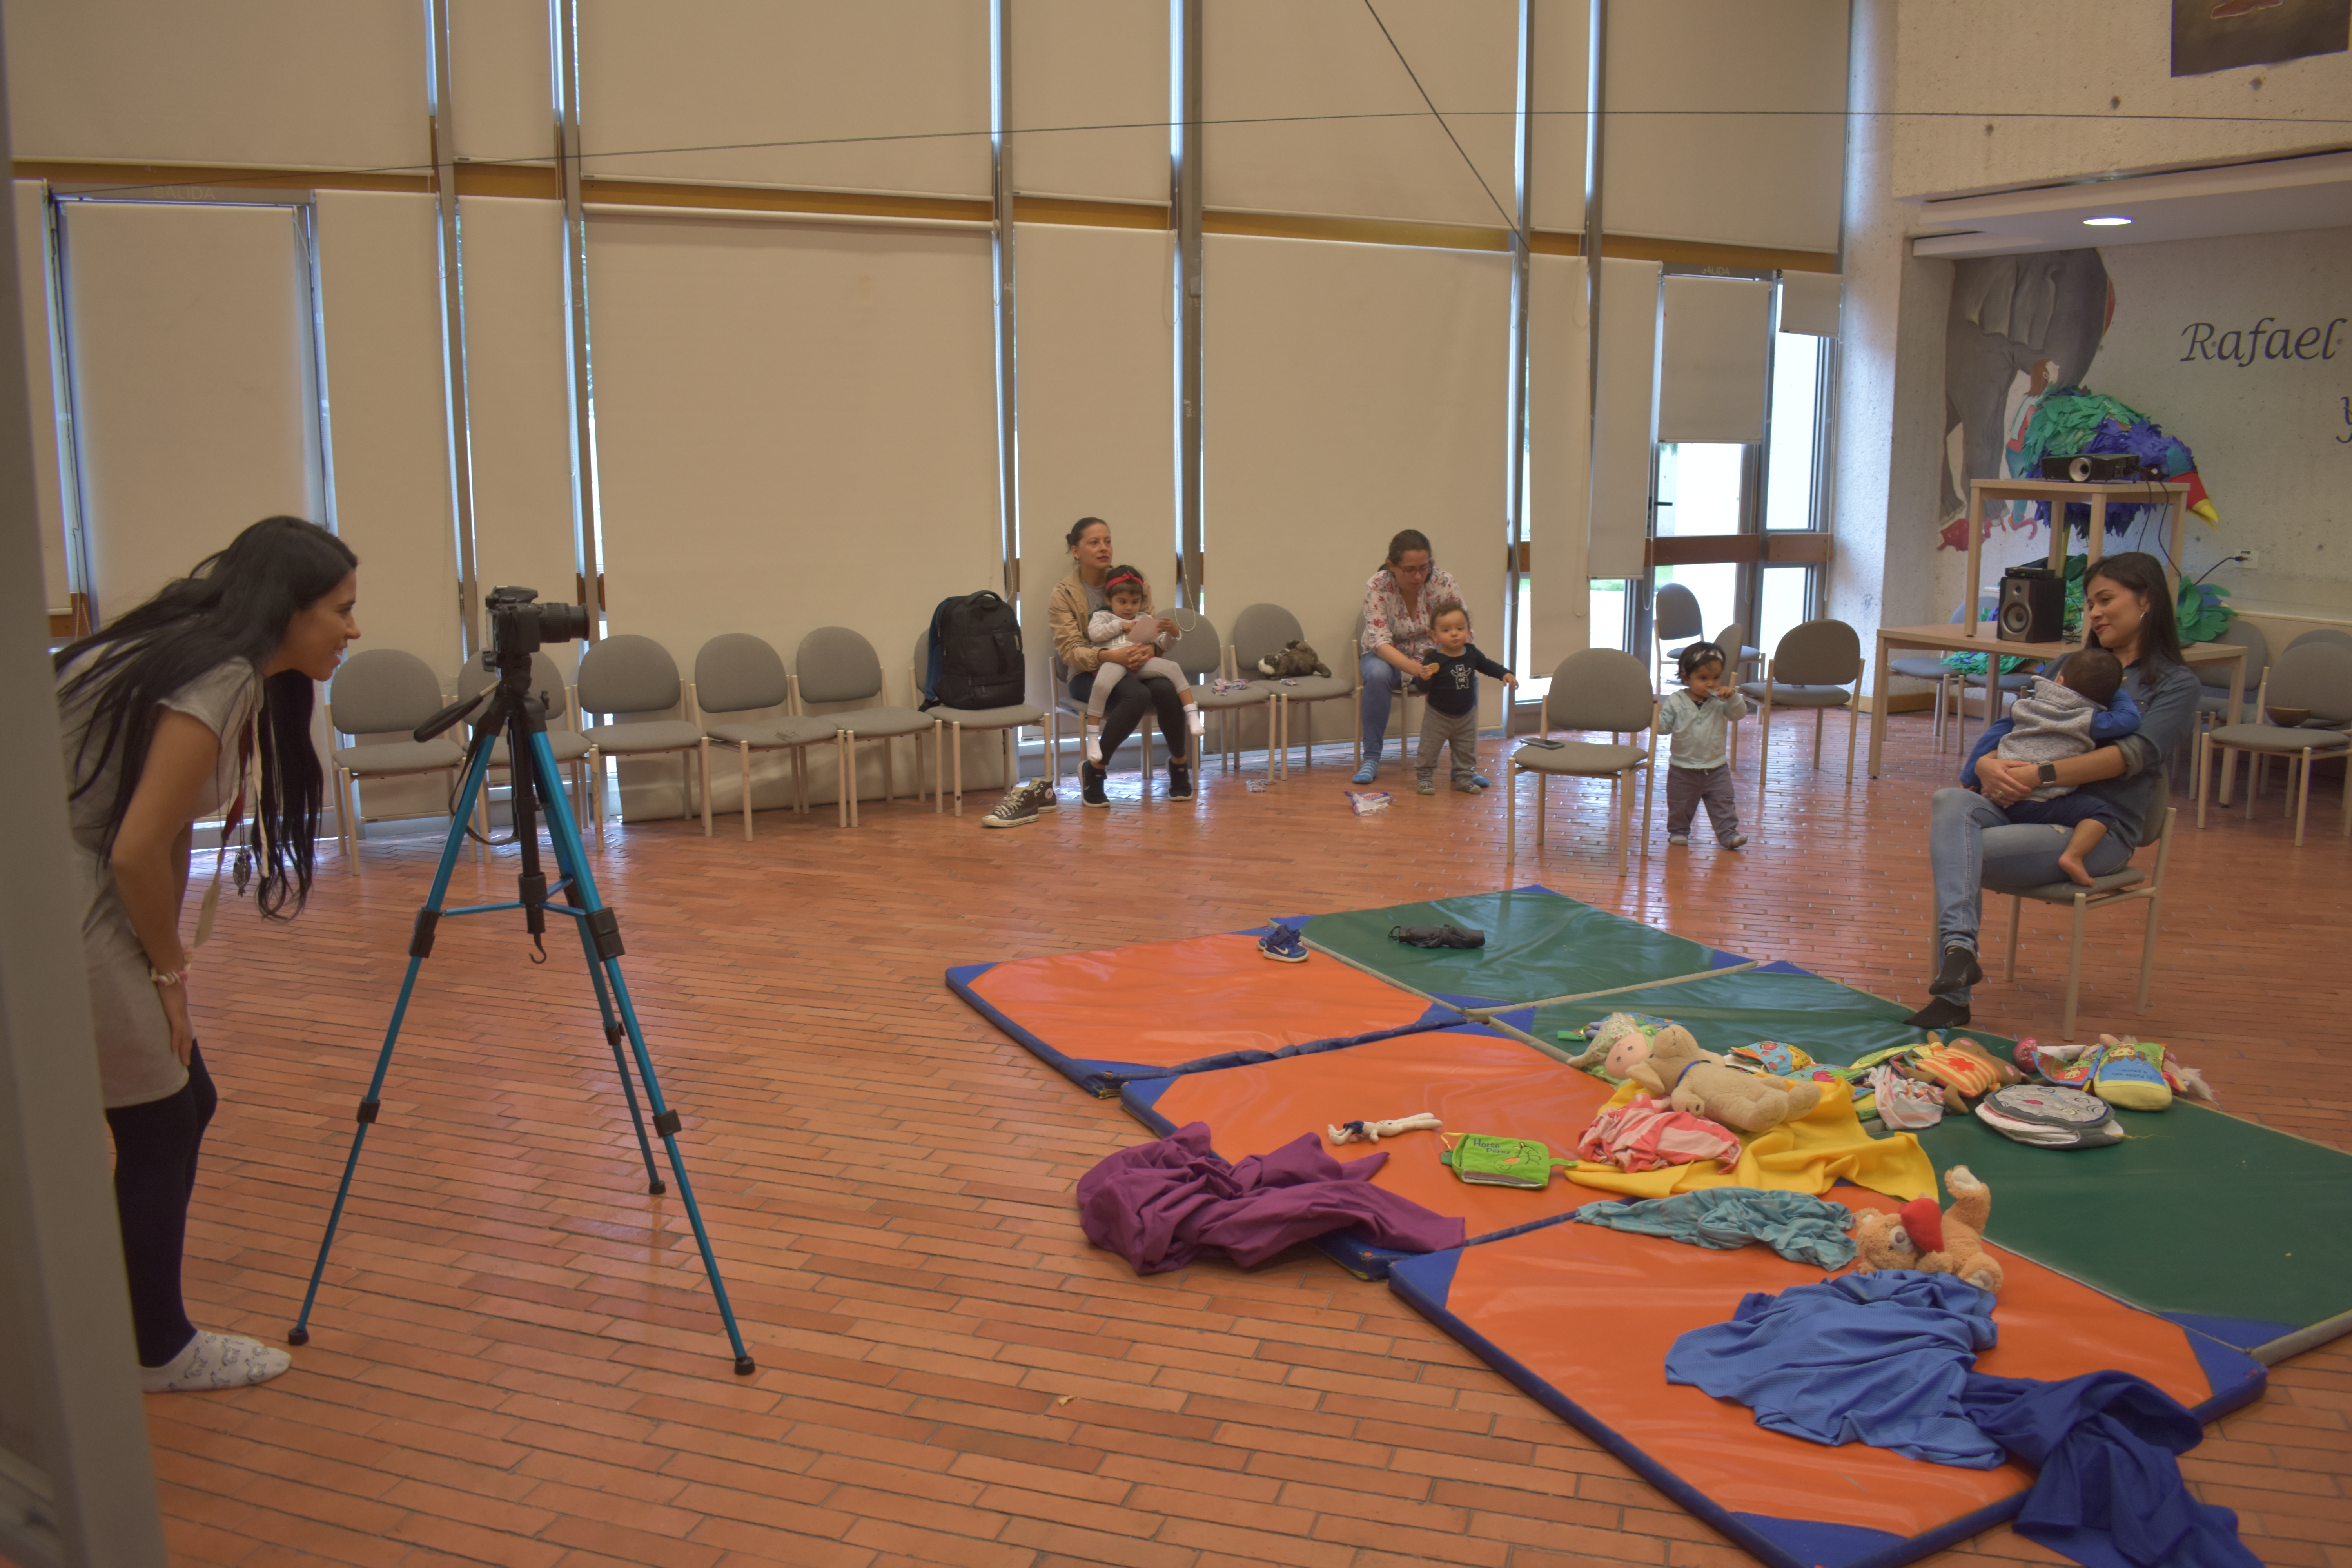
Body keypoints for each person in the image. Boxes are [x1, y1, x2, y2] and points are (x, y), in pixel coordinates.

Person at [54, 515, 360, 1390]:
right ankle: (156, 1348)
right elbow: (138, 849)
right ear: (287, 609)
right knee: (162, 1116)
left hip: (69, 878)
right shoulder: (219, 675)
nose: (353, 628)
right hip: (62, 894)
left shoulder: (193, 650)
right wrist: (168, 972)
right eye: (341, 609)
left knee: (186, 1100)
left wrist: (164, 963)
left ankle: (126, 1320)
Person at [1911, 551, 2201, 1029]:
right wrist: (1985, 764)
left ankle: (1954, 995)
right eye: (2090, 604)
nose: (2095, 614)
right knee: (1950, 802)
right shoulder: (2070, 663)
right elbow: (2016, 723)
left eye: (2105, 600)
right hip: (2023, 807)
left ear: (2146, 600)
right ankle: (1960, 953)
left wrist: (2039, 775)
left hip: (2096, 827)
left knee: (1962, 850)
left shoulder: (2175, 683)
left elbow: (2132, 755)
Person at [1965, 646, 2141, 886]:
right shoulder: (2088, 719)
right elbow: (2130, 720)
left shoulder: (2027, 705)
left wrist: (1971, 775)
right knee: (2100, 812)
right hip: (2037, 805)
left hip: (1997, 792)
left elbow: (1993, 735)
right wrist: (2117, 691)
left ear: (2060, 679)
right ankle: (2073, 856)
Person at [1048, 517, 1192, 806]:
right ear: (1076, 551)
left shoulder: (1131, 581)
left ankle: (1179, 765)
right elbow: (1070, 651)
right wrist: (1108, 656)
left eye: (1108, 541)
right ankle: (1096, 769)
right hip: (1088, 673)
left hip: (1136, 666)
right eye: (1094, 543)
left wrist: (1149, 650)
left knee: (1167, 689)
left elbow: (1152, 631)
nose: (1104, 548)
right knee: (1136, 695)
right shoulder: (1064, 593)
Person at [1352, 528, 1468, 786]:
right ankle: (1371, 759)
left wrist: (1446, 663)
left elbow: (1462, 628)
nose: (1418, 576)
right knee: (1378, 675)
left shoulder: (1443, 582)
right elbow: (1380, 643)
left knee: (1463, 672)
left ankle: (1463, 767)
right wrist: (1419, 670)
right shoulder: (1377, 585)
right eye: (1410, 570)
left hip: (1433, 656)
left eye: (1424, 568)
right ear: (1392, 566)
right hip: (1386, 656)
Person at [1083, 566, 1201, 763]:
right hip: (1114, 661)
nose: (1129, 608)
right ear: (1108, 600)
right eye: (1122, 602)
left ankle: (1192, 715)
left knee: (1173, 668)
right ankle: (1093, 738)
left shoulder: (1144, 620)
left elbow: (1162, 645)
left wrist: (1173, 633)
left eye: (1135, 602)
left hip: (1142, 664)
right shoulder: (1102, 617)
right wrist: (1122, 626)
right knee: (1101, 686)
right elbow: (1094, 634)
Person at [1413, 602, 1515, 795]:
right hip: (1438, 716)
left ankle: (1464, 778)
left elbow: (1488, 665)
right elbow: (1423, 688)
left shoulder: (1472, 653)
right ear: (1435, 636)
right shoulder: (1433, 660)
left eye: (1460, 629)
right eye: (1447, 630)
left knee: (1466, 750)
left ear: (1468, 631)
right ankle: (1425, 779)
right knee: (1429, 749)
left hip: (1466, 715)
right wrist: (1424, 677)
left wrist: (1505, 673)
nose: (1455, 634)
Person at [1656, 642, 1749, 851]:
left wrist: (1734, 697)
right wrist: (1650, 714)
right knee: (1680, 804)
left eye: (1717, 678)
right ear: (1685, 677)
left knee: (1724, 803)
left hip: (1717, 767)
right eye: (1703, 678)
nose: (1712, 684)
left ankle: (1729, 835)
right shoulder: (1676, 701)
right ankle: (1679, 832)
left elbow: (1738, 714)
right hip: (1683, 768)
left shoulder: (1721, 701)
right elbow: (1663, 728)